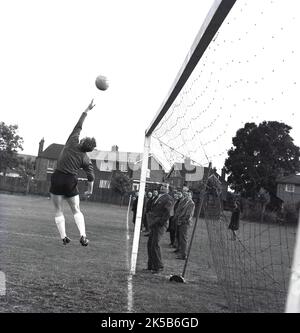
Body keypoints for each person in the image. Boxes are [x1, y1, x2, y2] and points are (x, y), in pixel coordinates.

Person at [49, 99, 97, 246]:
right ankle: (83, 235)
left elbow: (79, 124)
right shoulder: (85, 158)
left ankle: (64, 237)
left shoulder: (72, 140)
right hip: (70, 181)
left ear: (82, 141)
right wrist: (89, 190)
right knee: (76, 209)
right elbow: (91, 176)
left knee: (58, 209)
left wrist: (87, 110)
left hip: (57, 178)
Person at [146, 184, 173, 274]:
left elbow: (167, 212)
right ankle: (151, 265)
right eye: (162, 186)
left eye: (165, 187)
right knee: (150, 244)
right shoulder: (158, 196)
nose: (162, 187)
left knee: (155, 244)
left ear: (168, 189)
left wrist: (161, 222)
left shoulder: (168, 198)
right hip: (154, 223)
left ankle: (159, 266)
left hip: (160, 224)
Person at [175, 190, 195, 260]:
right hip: (180, 221)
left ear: (191, 196)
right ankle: (180, 251)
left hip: (185, 223)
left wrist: (181, 220)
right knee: (180, 237)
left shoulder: (191, 204)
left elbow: (188, 215)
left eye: (188, 195)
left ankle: (183, 255)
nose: (187, 196)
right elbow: (178, 210)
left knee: (183, 239)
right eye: (186, 195)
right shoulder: (183, 202)